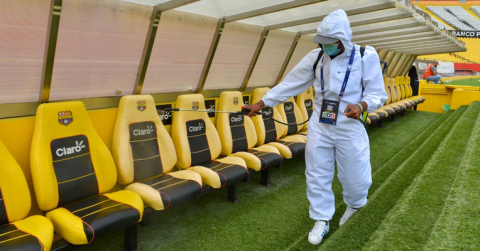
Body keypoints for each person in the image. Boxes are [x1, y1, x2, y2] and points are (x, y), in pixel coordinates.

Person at [246, 9, 387, 245]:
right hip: (320, 124)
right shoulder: (316, 57)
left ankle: (354, 205)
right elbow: (290, 84)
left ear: (343, 40)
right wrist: (262, 103)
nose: (326, 47)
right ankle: (321, 218)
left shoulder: (365, 56)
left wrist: (362, 105)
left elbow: (377, 93)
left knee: (356, 177)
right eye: (323, 42)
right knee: (316, 173)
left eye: (331, 43)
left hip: (349, 124)